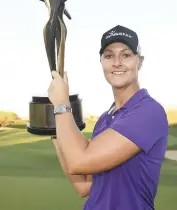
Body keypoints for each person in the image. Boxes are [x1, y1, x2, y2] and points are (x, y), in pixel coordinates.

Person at [48, 25, 169, 210]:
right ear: (102, 62)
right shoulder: (105, 119)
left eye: (126, 55)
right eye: (109, 55)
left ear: (140, 62)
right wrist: (55, 132)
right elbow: (84, 185)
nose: (117, 62)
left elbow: (78, 161)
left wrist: (62, 106)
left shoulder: (149, 112)